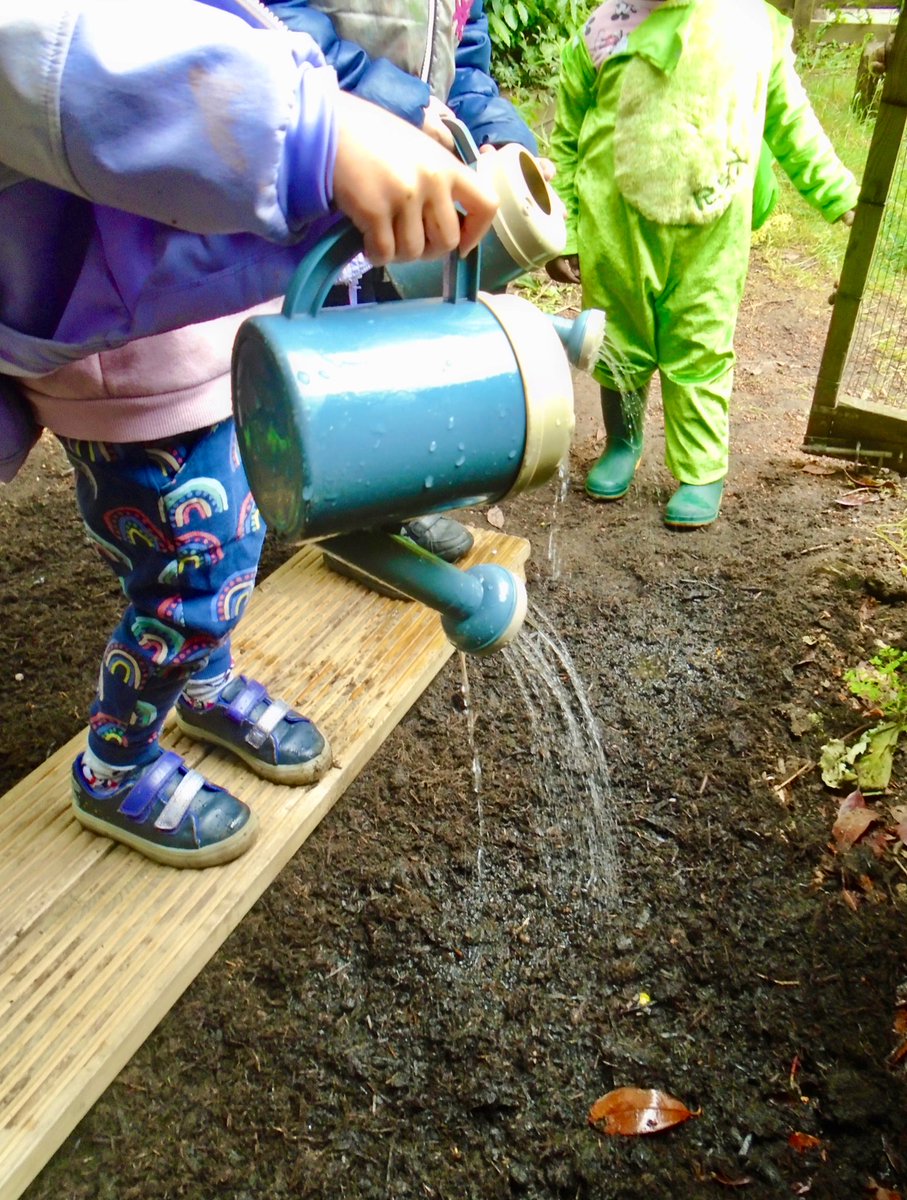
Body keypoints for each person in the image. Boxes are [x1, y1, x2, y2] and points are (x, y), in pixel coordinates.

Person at [0, 0, 498, 868]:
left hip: (198, 319)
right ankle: (115, 764)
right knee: (192, 574)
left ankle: (204, 678)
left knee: (228, 537)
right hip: (127, 355)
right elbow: (68, 57)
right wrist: (313, 131)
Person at [545, 0, 859, 529]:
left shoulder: (752, 26)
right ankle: (623, 442)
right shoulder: (605, 26)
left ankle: (702, 469)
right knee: (617, 337)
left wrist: (839, 195)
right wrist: (567, 231)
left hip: (709, 237)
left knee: (702, 342)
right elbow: (569, 136)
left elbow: (791, 123)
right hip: (616, 229)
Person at [266, 0, 541, 566]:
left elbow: (465, 66)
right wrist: (392, 103)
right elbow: (273, 21)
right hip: (319, 161)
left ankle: (382, 497)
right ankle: (315, 490)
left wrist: (497, 134)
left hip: (410, 191)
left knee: (393, 345)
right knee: (318, 344)